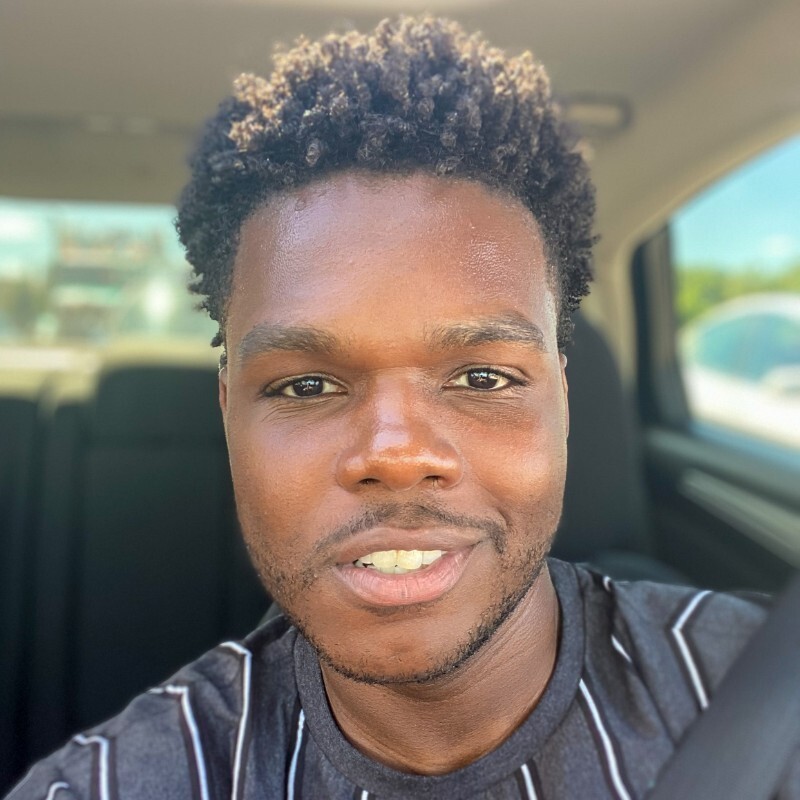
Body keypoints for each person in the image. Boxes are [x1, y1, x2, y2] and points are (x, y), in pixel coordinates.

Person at [7, 15, 796, 800]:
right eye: (305, 386)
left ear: (562, 398)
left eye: (482, 378)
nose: (396, 454)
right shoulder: (116, 782)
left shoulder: (763, 694)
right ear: (228, 415)